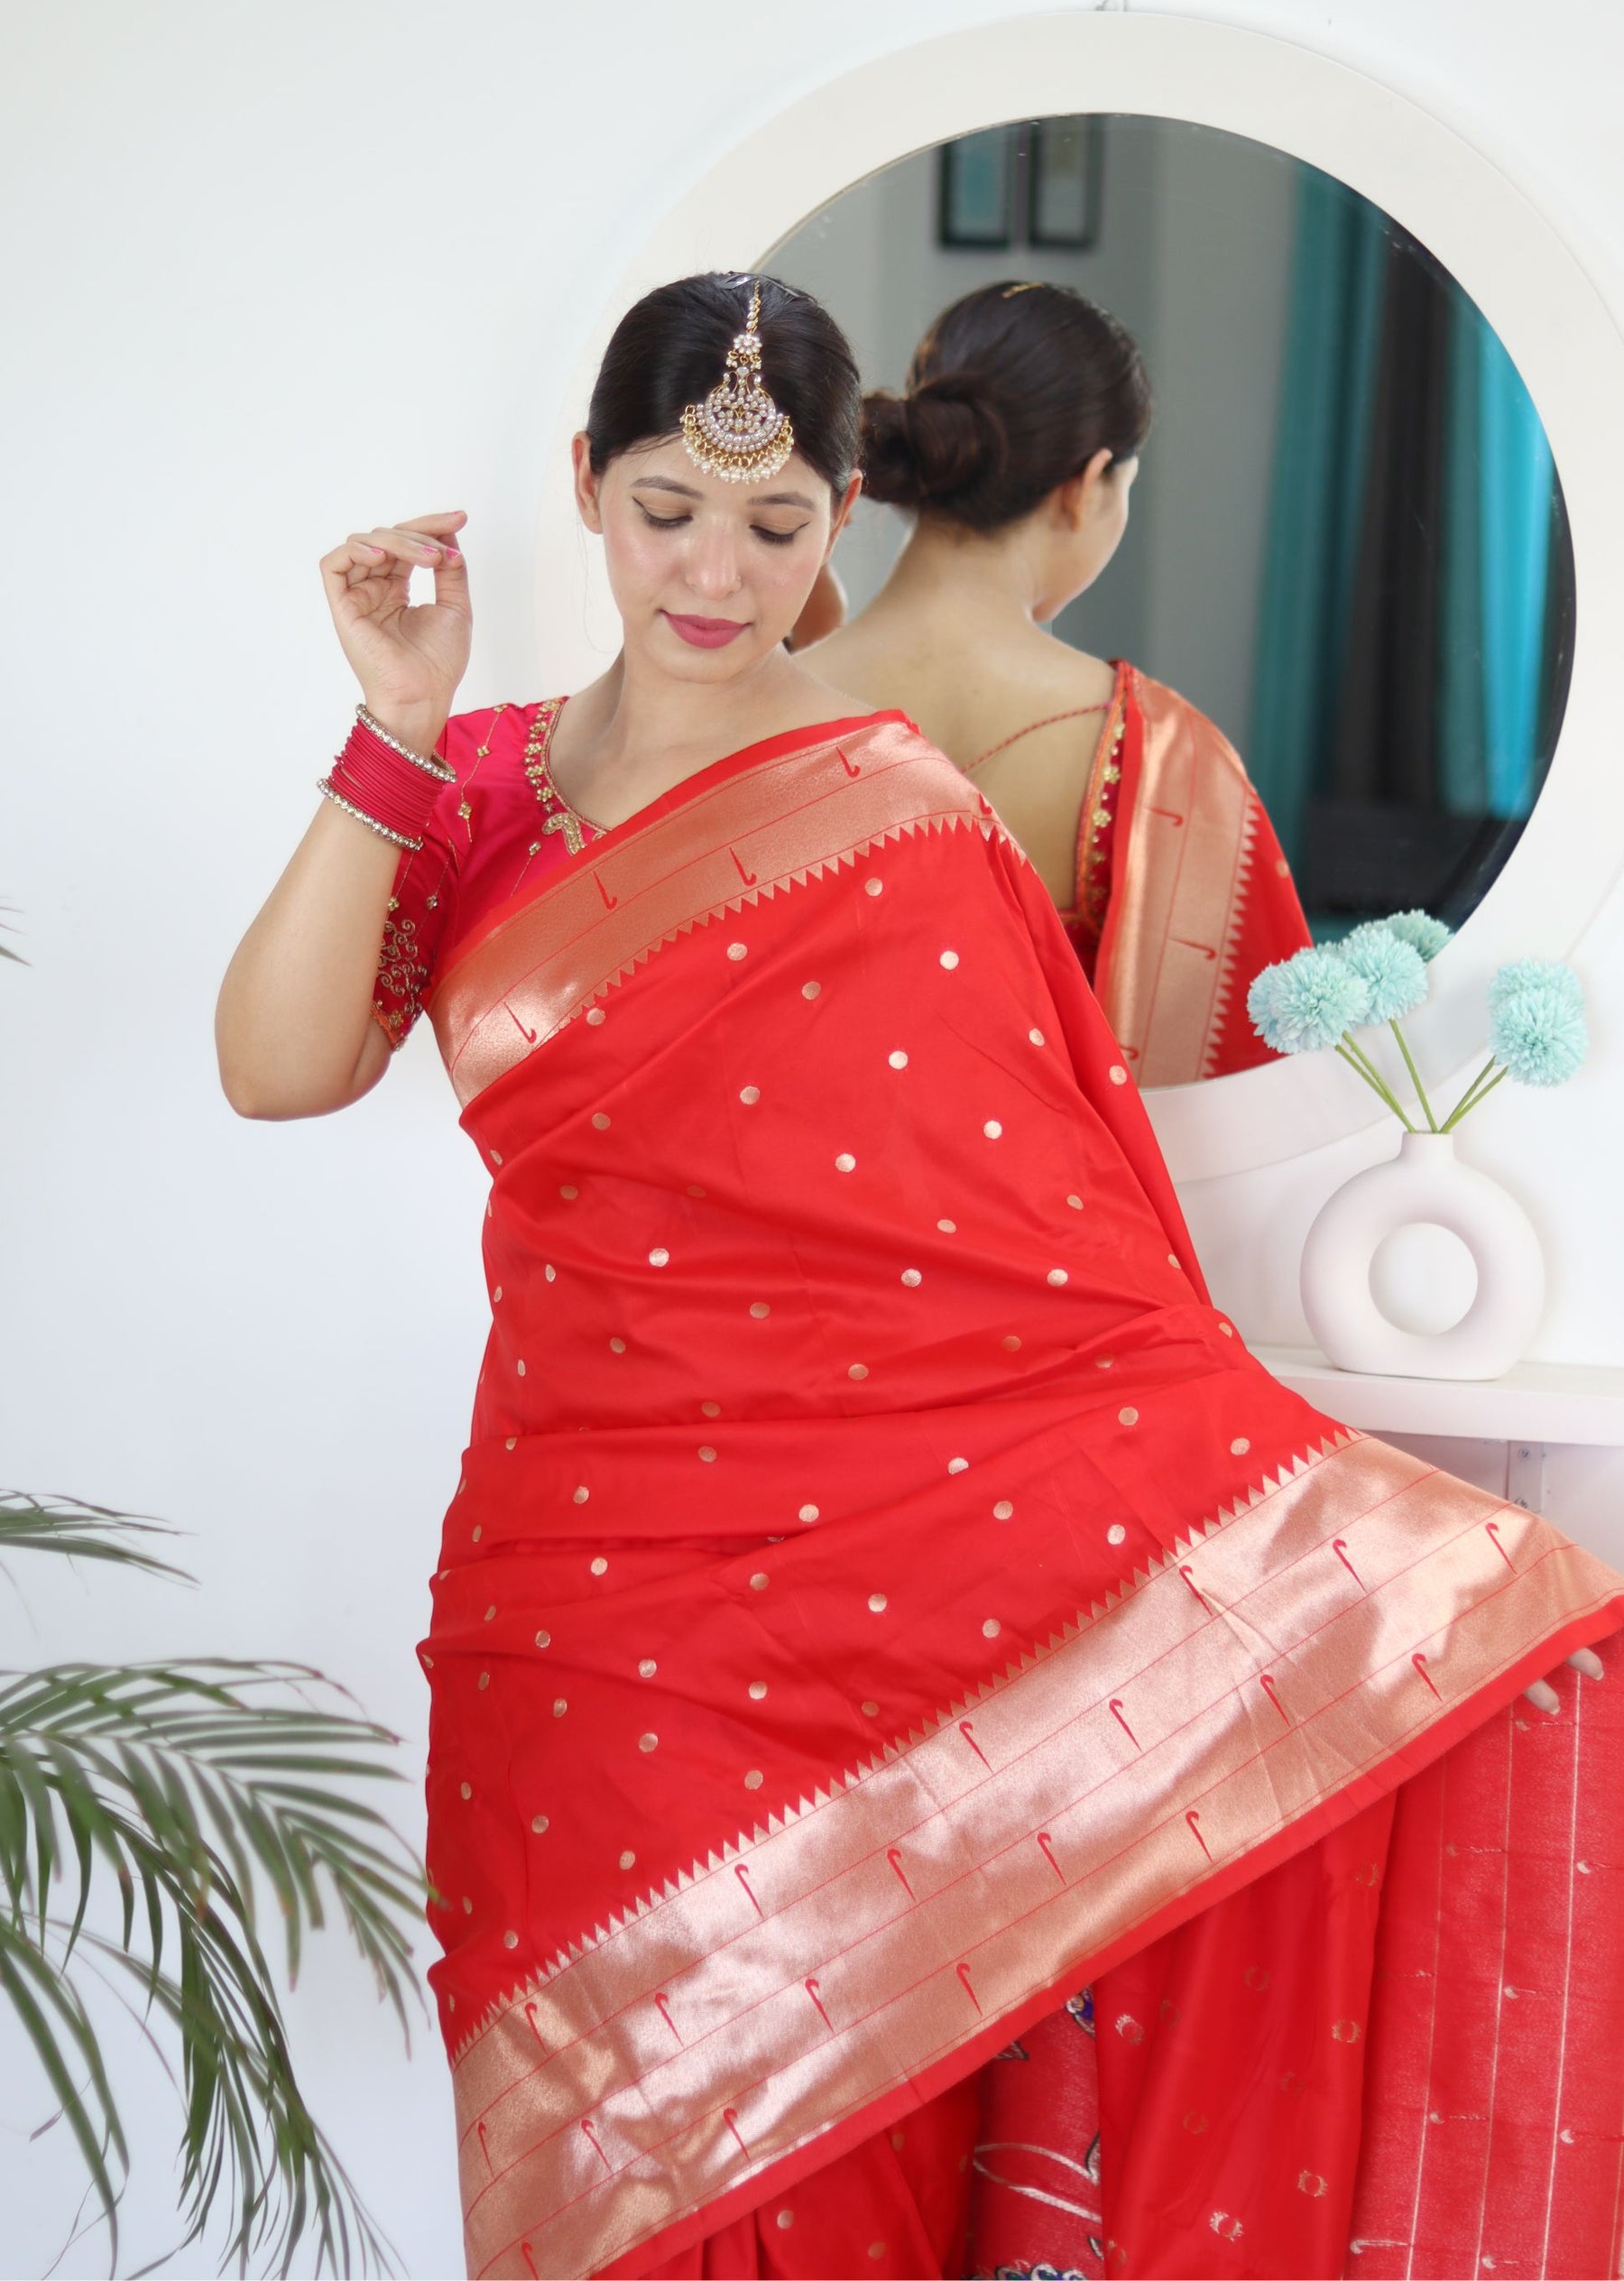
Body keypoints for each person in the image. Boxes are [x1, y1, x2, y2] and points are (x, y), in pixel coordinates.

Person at [217, 273, 1623, 2281]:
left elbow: (1050, 1281)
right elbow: (276, 1067)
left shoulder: (904, 815)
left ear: (840, 522)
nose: (714, 572)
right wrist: (390, 724)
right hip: (579, 1630)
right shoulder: (477, 788)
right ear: (585, 493)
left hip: (879, 1619)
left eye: (777, 525)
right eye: (663, 511)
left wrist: (1405, 1584)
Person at [808, 282, 1311, 1087]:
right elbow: (1263, 1076)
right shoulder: (1162, 752)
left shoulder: (760, 709)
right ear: (1090, 484)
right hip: (1051, 1210)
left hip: (785, 1205)